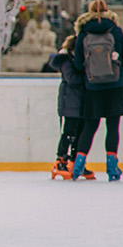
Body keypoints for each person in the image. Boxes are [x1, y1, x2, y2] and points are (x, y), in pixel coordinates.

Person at [70, 0, 123, 181]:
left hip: (93, 87)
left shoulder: (83, 33)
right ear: (108, 11)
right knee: (113, 126)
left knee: (90, 126)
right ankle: (112, 167)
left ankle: (78, 165)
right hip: (116, 85)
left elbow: (78, 65)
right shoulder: (115, 30)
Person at [48, 35, 94, 180]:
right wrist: (88, 76)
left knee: (80, 133)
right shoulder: (66, 60)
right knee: (69, 132)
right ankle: (60, 159)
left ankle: (74, 160)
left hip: (81, 103)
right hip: (70, 103)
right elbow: (72, 78)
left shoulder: (79, 61)